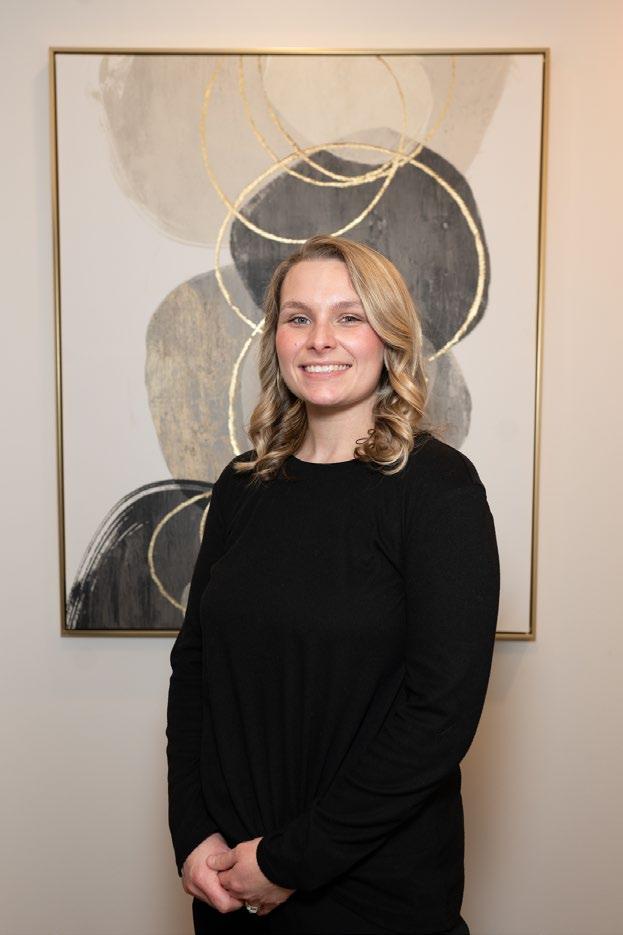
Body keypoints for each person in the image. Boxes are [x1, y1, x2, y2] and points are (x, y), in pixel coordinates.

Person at [166, 235, 500, 935]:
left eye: (349, 316)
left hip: (374, 893)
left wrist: (289, 860)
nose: (320, 339)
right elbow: (194, 668)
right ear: (276, 339)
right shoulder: (241, 485)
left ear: (389, 338)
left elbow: (438, 716)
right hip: (230, 882)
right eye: (299, 317)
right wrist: (193, 834)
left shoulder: (438, 489)